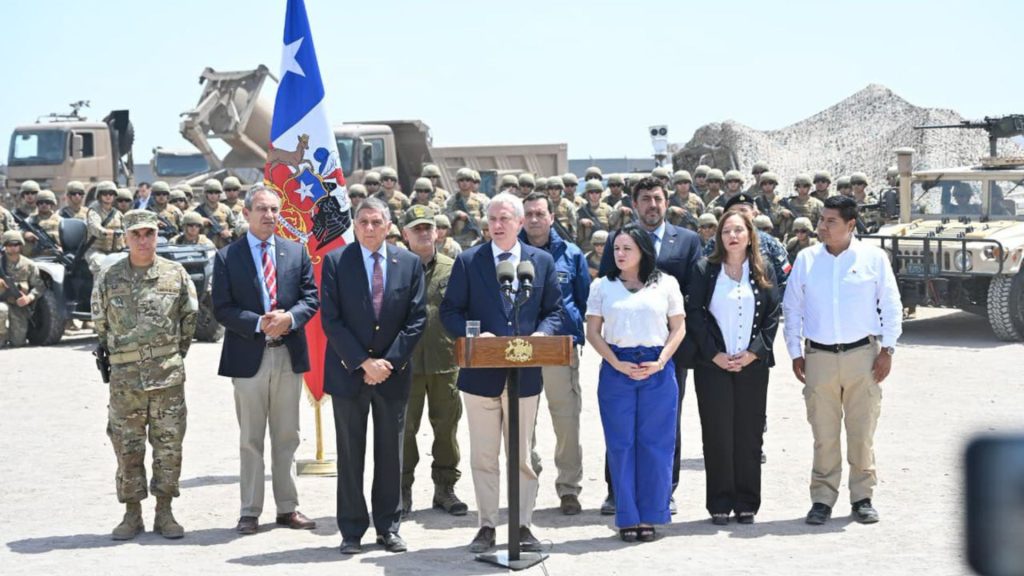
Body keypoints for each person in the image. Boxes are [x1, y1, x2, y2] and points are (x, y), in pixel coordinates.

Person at [439, 192, 563, 554]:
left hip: (525, 374)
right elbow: (450, 312)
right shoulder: (468, 261)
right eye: (492, 219)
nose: (497, 225)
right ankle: (487, 525)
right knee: (483, 455)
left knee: (522, 455)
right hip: (481, 375)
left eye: (505, 218)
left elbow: (554, 310)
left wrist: (543, 334)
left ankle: (523, 524)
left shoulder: (540, 261)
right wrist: (478, 334)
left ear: (521, 222)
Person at [783, 195, 903, 526]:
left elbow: (890, 304)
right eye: (821, 220)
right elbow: (792, 308)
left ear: (851, 225)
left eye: (829, 221)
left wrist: (887, 350)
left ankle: (862, 497)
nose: (821, 226)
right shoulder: (806, 260)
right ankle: (822, 499)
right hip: (819, 357)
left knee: (861, 431)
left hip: (863, 356)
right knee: (824, 433)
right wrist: (795, 352)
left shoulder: (873, 258)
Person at [211, 184, 321, 536]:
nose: (270, 216)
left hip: (287, 355)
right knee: (251, 438)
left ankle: (288, 508)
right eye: (262, 209)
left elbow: (311, 297)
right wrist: (258, 323)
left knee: (288, 435)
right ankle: (250, 510)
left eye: (275, 209)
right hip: (248, 358)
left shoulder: (296, 252)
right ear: (246, 213)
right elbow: (222, 308)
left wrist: (290, 318)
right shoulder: (228, 256)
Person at [321, 197, 426, 555]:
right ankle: (351, 529)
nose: (369, 228)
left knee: (389, 454)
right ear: (354, 224)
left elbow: (416, 320)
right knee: (350, 455)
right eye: (363, 221)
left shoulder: (409, 263)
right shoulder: (336, 261)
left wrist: (388, 363)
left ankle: (388, 526)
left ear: (388, 225)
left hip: (392, 376)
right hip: (349, 374)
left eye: (376, 221)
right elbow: (331, 320)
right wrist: (363, 363)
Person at [597, 176, 702, 516]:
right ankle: (618, 492)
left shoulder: (685, 241)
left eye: (657, 198)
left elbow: (694, 295)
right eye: (645, 199)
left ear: (666, 200)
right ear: (635, 203)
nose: (652, 205)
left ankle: (664, 491)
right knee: (621, 427)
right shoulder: (619, 239)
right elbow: (607, 286)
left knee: (664, 426)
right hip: (622, 352)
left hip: (668, 351)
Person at [91, 210, 197, 540]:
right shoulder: (109, 277)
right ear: (125, 237)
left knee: (168, 447)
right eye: (135, 234)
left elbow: (188, 321)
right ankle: (131, 513)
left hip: (166, 377)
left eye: (149, 233)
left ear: (157, 236)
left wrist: (168, 356)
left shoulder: (175, 274)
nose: (142, 239)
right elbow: (100, 324)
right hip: (125, 381)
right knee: (127, 447)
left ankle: (164, 512)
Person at [586, 224, 686, 542]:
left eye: (627, 248)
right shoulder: (602, 286)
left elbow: (679, 329)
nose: (620, 254)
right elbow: (592, 332)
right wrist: (616, 362)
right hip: (618, 369)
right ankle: (627, 515)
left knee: (656, 444)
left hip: (657, 369)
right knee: (621, 445)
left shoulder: (666, 284)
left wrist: (660, 362)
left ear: (643, 250)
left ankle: (652, 515)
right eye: (616, 248)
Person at [686, 209, 781, 525]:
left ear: (750, 234)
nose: (732, 236)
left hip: (752, 366)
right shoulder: (705, 269)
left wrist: (754, 353)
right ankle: (720, 502)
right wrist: (714, 354)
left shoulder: (764, 268)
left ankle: (746, 502)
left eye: (739, 230)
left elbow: (772, 314)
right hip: (713, 366)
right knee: (717, 433)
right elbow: (695, 314)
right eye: (727, 230)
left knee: (749, 434)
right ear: (719, 236)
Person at [521, 192, 590, 516]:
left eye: (539, 213)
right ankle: (527, 483)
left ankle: (568, 488)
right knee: (523, 422)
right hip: (520, 349)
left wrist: (576, 334)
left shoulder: (571, 254)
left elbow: (582, 298)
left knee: (566, 420)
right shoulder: (510, 252)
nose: (534, 219)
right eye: (529, 214)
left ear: (551, 217)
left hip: (560, 347)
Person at [398, 205, 467, 518]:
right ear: (405, 234)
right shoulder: (395, 267)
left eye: (429, 227)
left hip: (445, 360)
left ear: (438, 232)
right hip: (405, 364)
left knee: (446, 430)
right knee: (403, 430)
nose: (424, 233)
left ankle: (445, 489)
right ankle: (402, 490)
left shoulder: (454, 268)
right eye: (417, 228)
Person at [0, 231, 45, 348]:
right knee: (1, 309)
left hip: (18, 304)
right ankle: (2, 337)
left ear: (21, 245)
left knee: (18, 342)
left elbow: (39, 286)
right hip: (1, 301)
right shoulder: (1, 263)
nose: (13, 248)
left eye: (16, 244)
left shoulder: (29, 264)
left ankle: (10, 336)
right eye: (10, 245)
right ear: (5, 246)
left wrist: (29, 298)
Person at [85, 181, 125, 276]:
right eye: (105, 193)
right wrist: (104, 231)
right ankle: (97, 290)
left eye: (111, 193)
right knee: (99, 265)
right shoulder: (94, 211)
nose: (108, 196)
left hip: (116, 251)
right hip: (96, 250)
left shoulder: (117, 213)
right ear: (99, 195)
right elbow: (94, 225)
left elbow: (127, 226)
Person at [445, 167, 489, 249]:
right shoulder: (452, 200)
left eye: (467, 180)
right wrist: (456, 214)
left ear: (472, 182)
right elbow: (444, 219)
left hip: (476, 239)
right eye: (461, 180)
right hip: (458, 241)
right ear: (457, 183)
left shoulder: (481, 200)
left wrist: (477, 220)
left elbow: (487, 219)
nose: (464, 182)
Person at [197, 179, 238, 249]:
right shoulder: (199, 211)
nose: (213, 195)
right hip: (206, 247)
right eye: (210, 192)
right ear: (206, 194)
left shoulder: (225, 209)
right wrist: (200, 221)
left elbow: (235, 225)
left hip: (224, 246)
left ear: (219, 194)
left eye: (216, 192)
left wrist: (230, 232)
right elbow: (189, 227)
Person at [22, 190, 62, 257]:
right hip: (35, 257)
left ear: (52, 204)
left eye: (47, 202)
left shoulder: (61, 221)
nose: (44, 205)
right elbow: (15, 232)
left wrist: (63, 249)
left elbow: (68, 240)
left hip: (56, 256)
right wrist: (24, 234)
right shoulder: (29, 220)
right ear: (37, 204)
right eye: (41, 202)